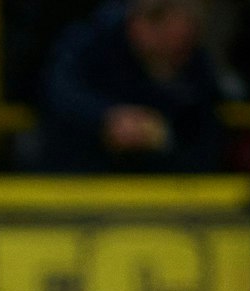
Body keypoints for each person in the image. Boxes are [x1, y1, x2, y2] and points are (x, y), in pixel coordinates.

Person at [41, 0, 225, 174]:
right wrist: (106, 119)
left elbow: (203, 133)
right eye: (167, 40)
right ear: (141, 25)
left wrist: (165, 135)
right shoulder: (90, 45)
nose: (178, 52)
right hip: (78, 182)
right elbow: (59, 94)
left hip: (163, 188)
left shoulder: (194, 64)